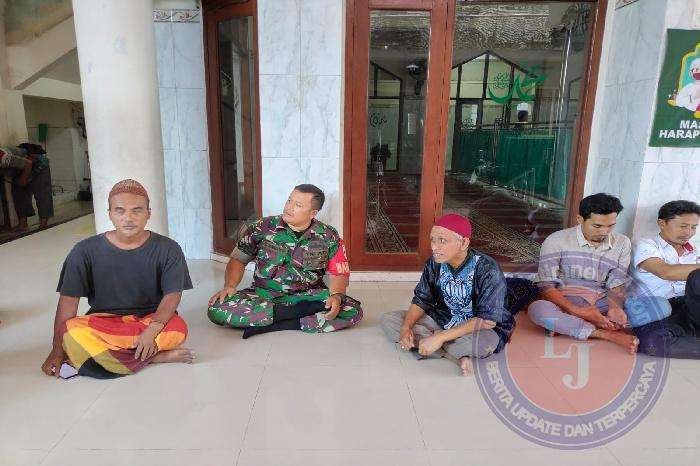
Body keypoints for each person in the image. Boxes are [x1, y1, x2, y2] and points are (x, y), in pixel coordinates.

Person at [41, 179, 194, 379]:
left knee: (178, 328)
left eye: (137, 210)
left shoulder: (169, 248)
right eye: (120, 211)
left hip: (149, 320)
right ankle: (153, 357)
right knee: (70, 331)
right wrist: (57, 349)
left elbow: (172, 296)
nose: (128, 218)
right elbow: (68, 302)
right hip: (106, 323)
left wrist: (152, 330)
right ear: (110, 214)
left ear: (148, 213)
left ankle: (109, 357)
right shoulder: (84, 251)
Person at [207, 184, 362, 337]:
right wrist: (230, 286)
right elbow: (238, 260)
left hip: (308, 296)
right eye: (289, 200)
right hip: (264, 296)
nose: (289, 207)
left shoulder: (328, 236)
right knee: (217, 308)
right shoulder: (262, 227)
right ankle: (302, 316)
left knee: (353, 310)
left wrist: (336, 296)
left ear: (313, 213)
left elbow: (339, 273)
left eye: (298, 205)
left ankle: (275, 323)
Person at [380, 213, 520, 376]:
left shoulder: (488, 269)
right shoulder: (434, 263)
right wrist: (406, 328)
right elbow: (422, 299)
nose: (434, 247)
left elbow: (487, 321)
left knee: (484, 343)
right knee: (389, 320)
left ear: (464, 243)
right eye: (432, 240)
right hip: (443, 318)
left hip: (476, 327)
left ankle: (434, 343)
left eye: (442, 240)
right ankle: (457, 355)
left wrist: (440, 338)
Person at [527, 193, 668, 354]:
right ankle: (606, 333)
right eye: (597, 226)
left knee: (662, 305)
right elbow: (546, 286)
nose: (605, 232)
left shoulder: (622, 242)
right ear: (580, 219)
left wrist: (615, 307)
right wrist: (577, 310)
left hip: (602, 302)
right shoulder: (556, 240)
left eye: (611, 226)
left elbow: (617, 282)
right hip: (566, 302)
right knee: (538, 310)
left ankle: (574, 325)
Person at [628, 200, 700, 358]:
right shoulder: (645, 245)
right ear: (662, 223)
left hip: (691, 308)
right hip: (659, 311)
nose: (689, 232)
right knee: (653, 343)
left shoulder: (695, 250)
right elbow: (665, 272)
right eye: (683, 226)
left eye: (694, 227)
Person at [13, 143, 54, 230]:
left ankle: (43, 222)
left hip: (39, 164)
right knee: (19, 193)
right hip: (22, 166)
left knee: (42, 193)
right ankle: (23, 223)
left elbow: (29, 164)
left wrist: (25, 179)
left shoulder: (4, 156)